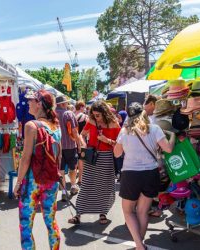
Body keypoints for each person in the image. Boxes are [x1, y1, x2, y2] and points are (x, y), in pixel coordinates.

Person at [114, 102, 175, 250]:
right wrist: (172, 136)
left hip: (130, 174)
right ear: (143, 113)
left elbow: (117, 154)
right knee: (142, 211)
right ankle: (140, 244)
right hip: (150, 173)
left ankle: (139, 245)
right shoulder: (154, 128)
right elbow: (168, 149)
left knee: (128, 211)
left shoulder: (124, 132)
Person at [13, 89, 61, 250]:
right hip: (51, 180)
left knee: (26, 225)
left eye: (31, 101)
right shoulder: (55, 126)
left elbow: (26, 158)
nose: (28, 103)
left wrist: (18, 182)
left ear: (39, 104)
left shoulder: (31, 126)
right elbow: (58, 155)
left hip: (32, 182)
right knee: (51, 222)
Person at [68, 100, 120, 225]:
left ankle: (103, 214)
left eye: (98, 115)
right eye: (94, 115)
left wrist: (106, 140)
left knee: (105, 187)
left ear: (105, 113)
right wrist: (83, 143)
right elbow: (82, 134)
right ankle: (78, 214)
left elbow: (119, 144)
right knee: (86, 185)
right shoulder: (91, 121)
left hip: (106, 157)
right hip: (92, 156)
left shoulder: (114, 124)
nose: (96, 118)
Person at [55, 95, 81, 201]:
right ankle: (73, 186)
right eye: (66, 103)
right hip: (70, 145)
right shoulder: (68, 113)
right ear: (62, 104)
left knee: (60, 170)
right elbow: (74, 131)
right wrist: (79, 144)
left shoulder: (52, 114)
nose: (67, 104)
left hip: (57, 147)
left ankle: (64, 192)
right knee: (72, 167)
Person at [74, 101, 88, 185]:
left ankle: (73, 177)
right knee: (81, 160)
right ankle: (80, 179)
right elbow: (88, 129)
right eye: (84, 106)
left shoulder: (73, 115)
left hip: (74, 140)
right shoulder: (85, 116)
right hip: (82, 140)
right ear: (81, 107)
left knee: (75, 159)